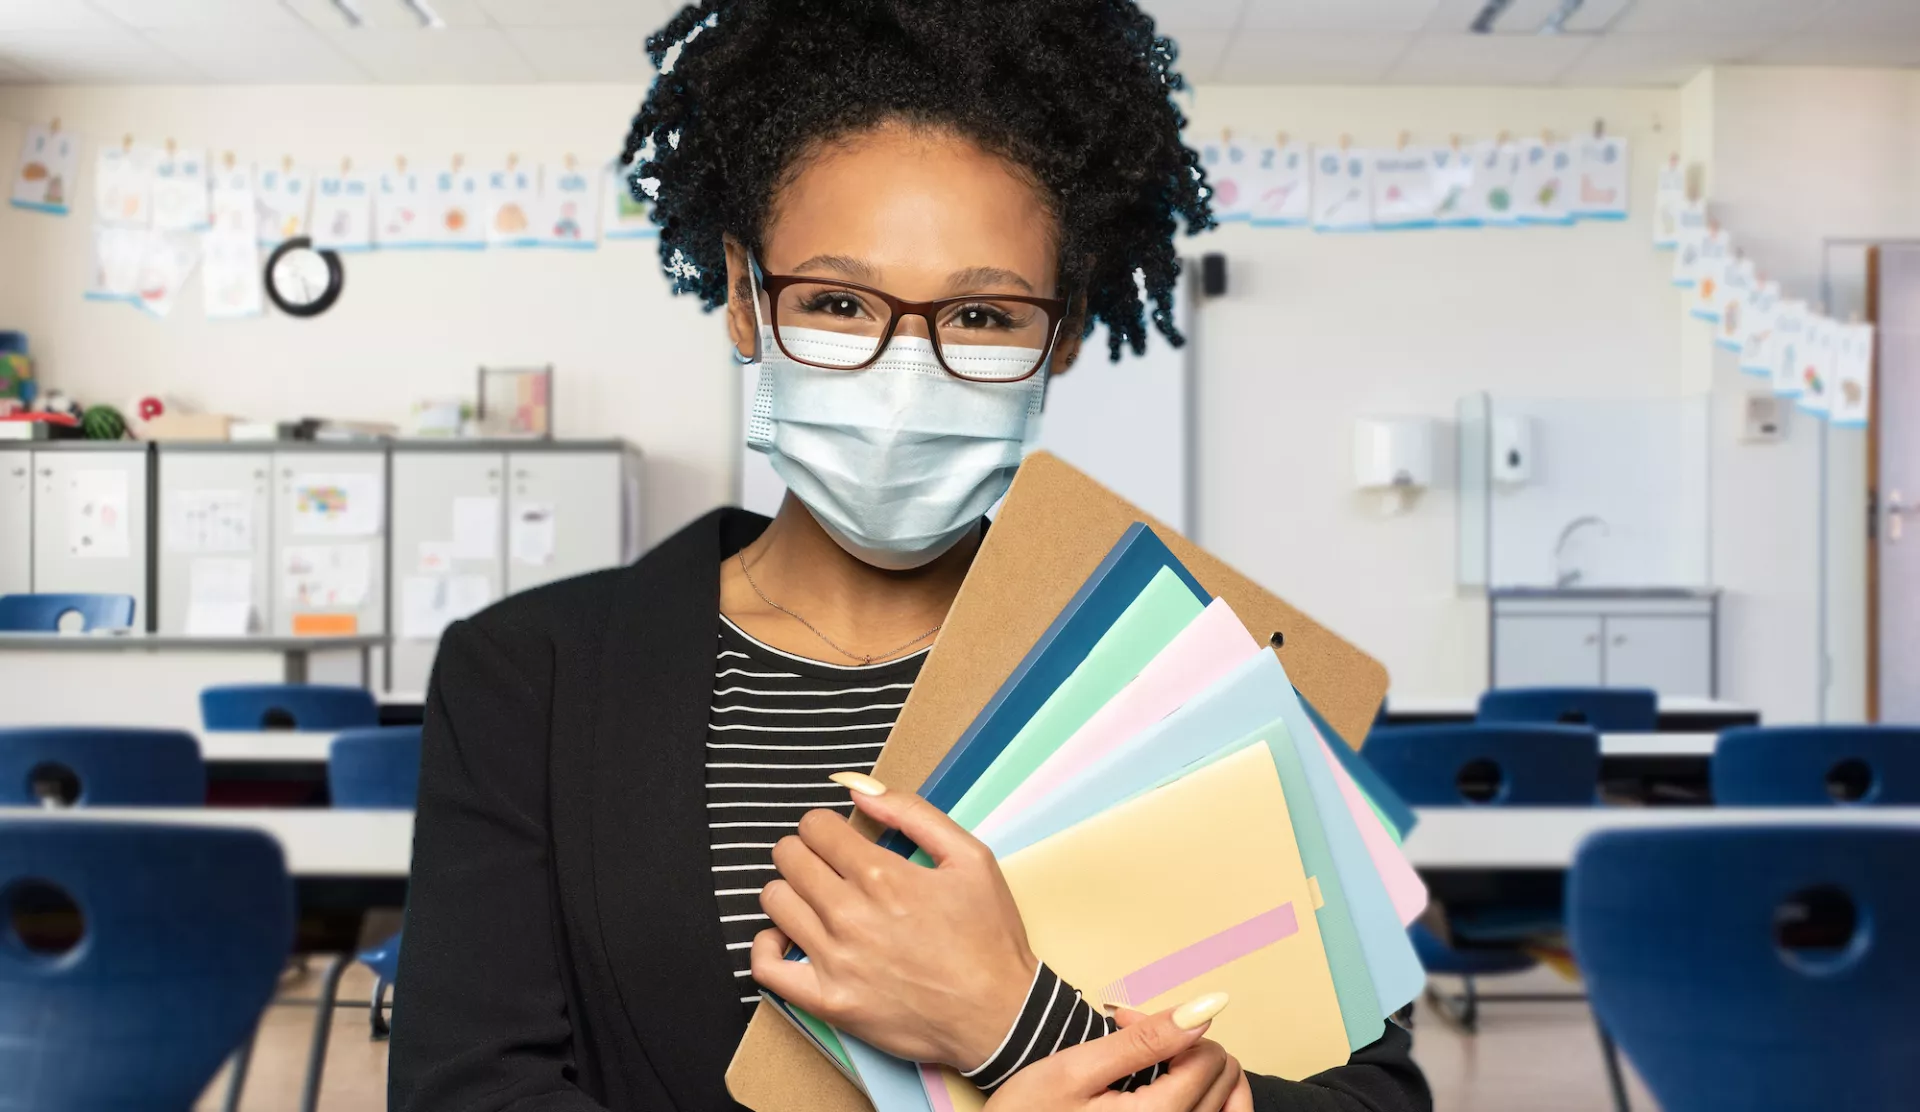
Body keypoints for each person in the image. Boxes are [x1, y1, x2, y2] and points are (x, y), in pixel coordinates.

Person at [389, 2, 1432, 1110]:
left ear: (1064, 329)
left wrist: (1014, 1018)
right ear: (745, 294)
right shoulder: (528, 676)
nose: (902, 373)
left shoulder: (1194, 666)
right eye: (837, 301)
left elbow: (1370, 1094)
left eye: (983, 315)